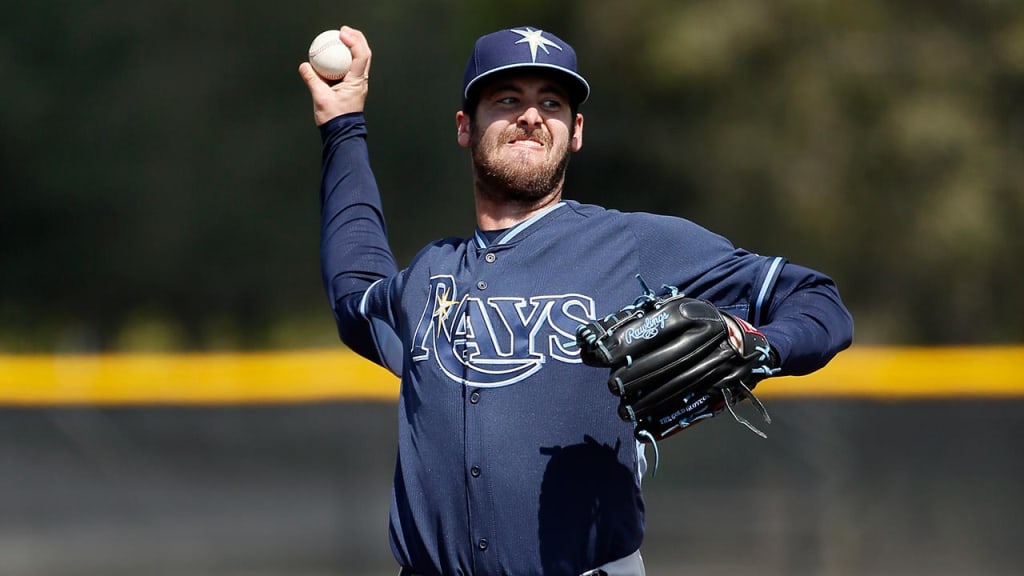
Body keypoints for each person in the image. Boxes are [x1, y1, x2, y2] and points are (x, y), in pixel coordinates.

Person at [298, 25, 853, 576]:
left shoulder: (634, 244)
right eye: (507, 99)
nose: (531, 116)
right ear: (465, 126)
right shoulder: (429, 274)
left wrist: (755, 342)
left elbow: (816, 299)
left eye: (551, 103)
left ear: (576, 130)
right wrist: (343, 125)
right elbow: (354, 289)